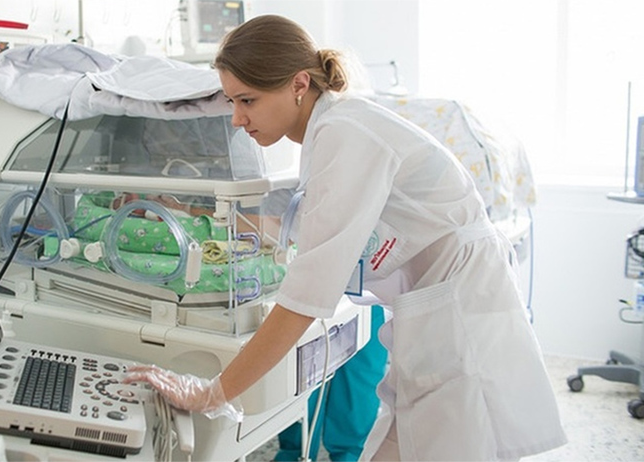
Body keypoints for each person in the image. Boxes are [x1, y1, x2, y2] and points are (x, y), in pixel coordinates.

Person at [125, 14, 567, 461]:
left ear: (299, 84)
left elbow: (305, 295)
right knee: (411, 439)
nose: (238, 119)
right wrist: (187, 211)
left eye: (248, 100)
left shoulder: (345, 131)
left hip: (460, 307)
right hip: (438, 303)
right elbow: (295, 228)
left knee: (447, 439)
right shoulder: (330, 130)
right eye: (232, 102)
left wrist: (213, 392)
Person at [275, 305, 388, 462]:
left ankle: (348, 456)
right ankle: (297, 453)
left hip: (365, 299)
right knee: (304, 371)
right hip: (312, 300)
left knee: (359, 374)